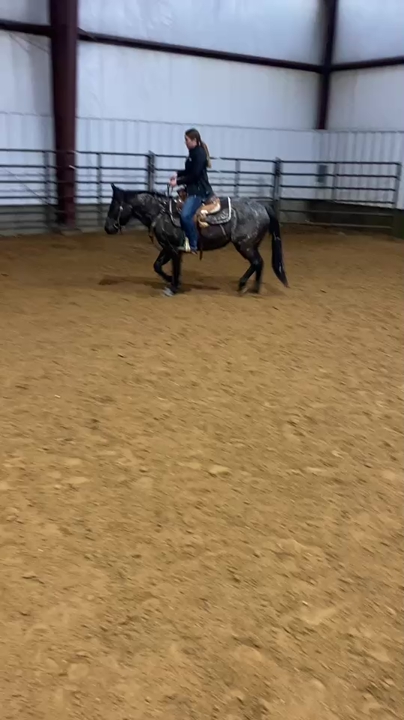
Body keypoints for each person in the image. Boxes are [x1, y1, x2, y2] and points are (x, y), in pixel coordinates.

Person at [170, 128, 213, 253]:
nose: (185, 142)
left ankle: (193, 243)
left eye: (187, 140)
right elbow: (190, 171)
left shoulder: (199, 154)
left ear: (194, 140)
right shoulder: (194, 153)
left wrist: (177, 182)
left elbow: (195, 175)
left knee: (185, 216)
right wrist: (178, 174)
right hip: (193, 189)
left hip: (198, 192)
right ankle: (184, 239)